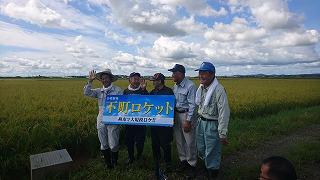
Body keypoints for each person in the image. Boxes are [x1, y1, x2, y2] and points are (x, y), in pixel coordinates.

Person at [194, 62, 230, 179]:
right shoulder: (201, 88)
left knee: (212, 151)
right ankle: (207, 168)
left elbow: (224, 112)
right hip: (201, 122)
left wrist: (222, 133)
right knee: (201, 148)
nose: (200, 76)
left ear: (212, 74)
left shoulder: (219, 90)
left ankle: (212, 173)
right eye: (200, 73)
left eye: (203, 73)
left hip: (212, 124)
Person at [83, 69, 122, 169]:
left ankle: (115, 162)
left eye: (106, 78)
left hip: (113, 118)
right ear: (101, 80)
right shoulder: (98, 91)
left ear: (111, 79)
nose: (104, 80)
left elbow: (123, 104)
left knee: (113, 144)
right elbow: (86, 93)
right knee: (103, 143)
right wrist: (90, 81)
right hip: (101, 118)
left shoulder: (117, 90)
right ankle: (108, 164)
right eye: (102, 78)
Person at [168, 64, 197, 178]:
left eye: (174, 73)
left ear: (180, 73)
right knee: (179, 140)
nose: (172, 75)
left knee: (189, 141)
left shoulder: (190, 86)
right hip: (176, 114)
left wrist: (188, 120)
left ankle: (192, 165)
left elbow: (192, 105)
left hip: (185, 115)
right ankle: (183, 161)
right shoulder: (175, 86)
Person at [149, 73, 174, 178]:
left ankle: (168, 163)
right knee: (155, 144)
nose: (153, 82)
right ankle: (157, 162)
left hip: (164, 124)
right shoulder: (152, 92)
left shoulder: (168, 91)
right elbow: (145, 103)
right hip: (154, 123)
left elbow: (172, 107)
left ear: (160, 81)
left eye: (155, 80)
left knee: (165, 144)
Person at [123, 72, 148, 165]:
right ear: (130, 80)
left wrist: (144, 90)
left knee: (140, 140)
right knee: (129, 141)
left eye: (138, 78)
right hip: (129, 122)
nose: (136, 80)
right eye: (134, 78)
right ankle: (131, 157)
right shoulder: (125, 91)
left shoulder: (143, 90)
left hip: (141, 121)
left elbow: (150, 102)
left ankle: (139, 155)